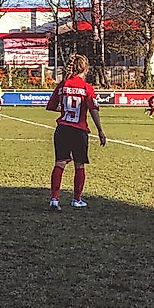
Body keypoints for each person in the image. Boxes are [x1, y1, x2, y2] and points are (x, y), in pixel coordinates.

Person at [45, 54, 106, 210]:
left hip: (62, 129)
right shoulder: (86, 87)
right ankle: (76, 199)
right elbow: (93, 110)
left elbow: (51, 106)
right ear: (85, 68)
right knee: (79, 165)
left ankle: (54, 199)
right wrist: (100, 131)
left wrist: (65, 110)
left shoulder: (63, 85)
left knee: (59, 163)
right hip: (79, 131)